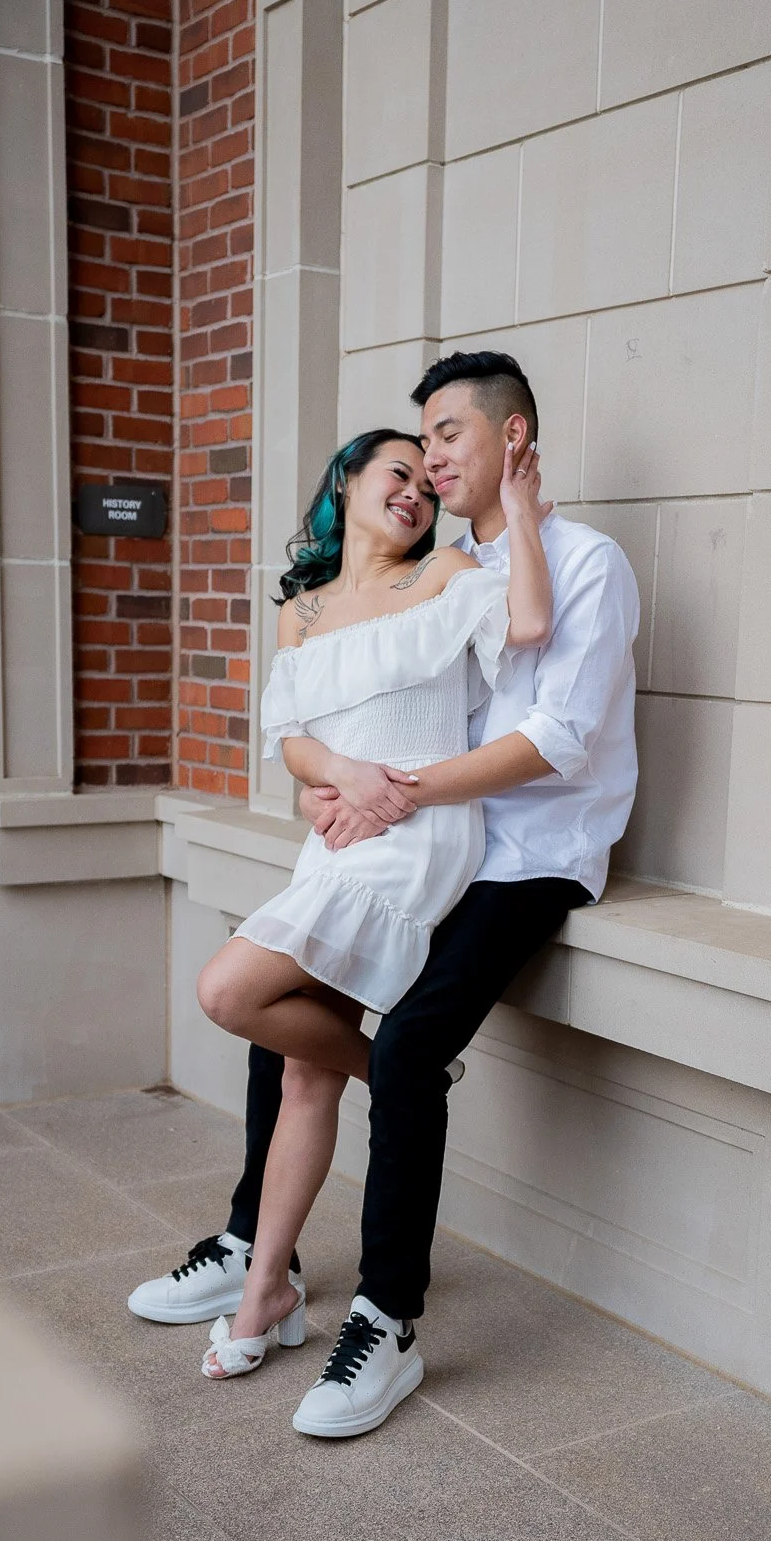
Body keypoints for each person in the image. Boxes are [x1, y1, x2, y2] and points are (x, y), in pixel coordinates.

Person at [129, 350, 640, 1440]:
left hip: (529, 853)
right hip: (413, 832)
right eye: (414, 448)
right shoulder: (443, 563)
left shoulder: (584, 561)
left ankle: (388, 1320)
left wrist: (386, 797)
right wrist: (336, 789)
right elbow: (382, 712)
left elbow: (553, 737)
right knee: (292, 1023)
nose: (429, 462)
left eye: (446, 436)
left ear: (510, 439)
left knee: (400, 1050)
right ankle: (254, 1257)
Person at [187, 420, 553, 1385]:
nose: (416, 495)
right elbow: (294, 738)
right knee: (303, 1070)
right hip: (341, 829)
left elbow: (528, 628)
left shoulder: (439, 580)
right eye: (399, 473)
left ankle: (401, 1069)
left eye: (428, 488)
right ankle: (267, 1286)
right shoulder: (300, 612)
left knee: (230, 992)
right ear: (347, 481)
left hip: (414, 830)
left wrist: (516, 511)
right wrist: (339, 775)